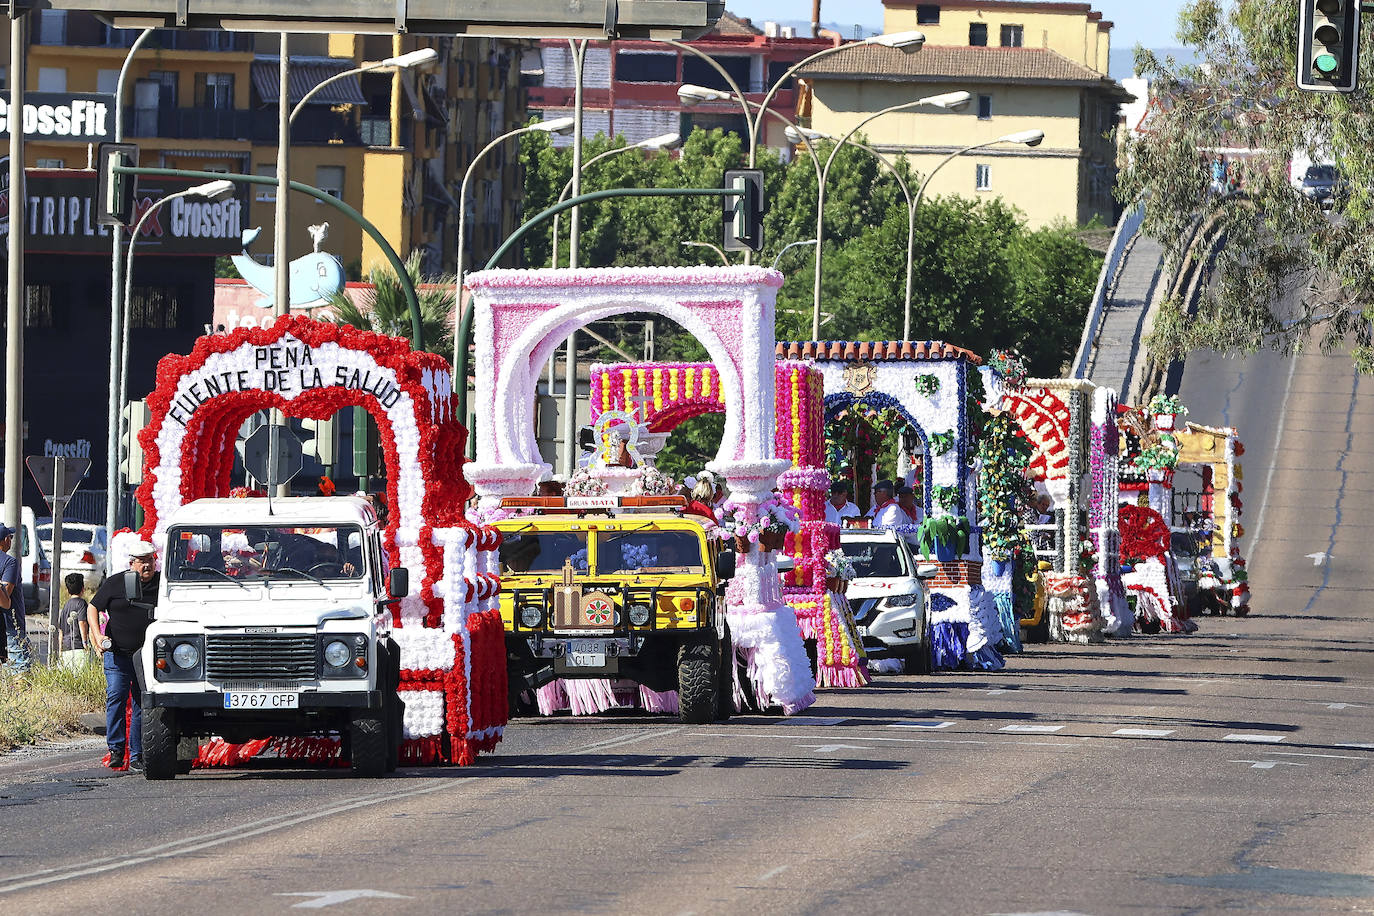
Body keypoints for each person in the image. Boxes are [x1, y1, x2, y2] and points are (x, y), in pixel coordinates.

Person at [88, 541, 160, 772]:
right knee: (116, 697)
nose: (147, 565)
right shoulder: (116, 582)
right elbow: (93, 607)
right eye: (142, 561)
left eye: (150, 559)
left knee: (142, 703)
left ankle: (138, 754)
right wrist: (97, 635)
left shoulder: (162, 583)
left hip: (146, 656)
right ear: (132, 563)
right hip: (117, 654)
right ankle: (117, 750)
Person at [0, 524, 32, 673]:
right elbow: (6, 596)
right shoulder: (9, 562)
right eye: (10, 537)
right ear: (5, 540)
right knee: (20, 675)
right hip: (11, 628)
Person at [60, 572, 90, 668]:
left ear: (68, 590)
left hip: (66, 647)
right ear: (83, 589)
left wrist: (60, 647)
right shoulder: (81, 603)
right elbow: (82, 622)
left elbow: (60, 629)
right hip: (78, 646)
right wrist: (85, 643)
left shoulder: (65, 606)